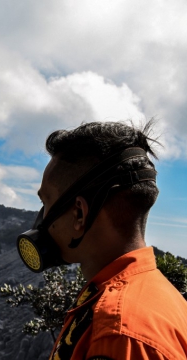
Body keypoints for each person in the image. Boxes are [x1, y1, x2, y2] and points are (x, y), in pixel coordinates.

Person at [18, 121, 187, 359]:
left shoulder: (119, 335)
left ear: (79, 213)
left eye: (45, 202)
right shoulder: (154, 293)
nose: (42, 218)